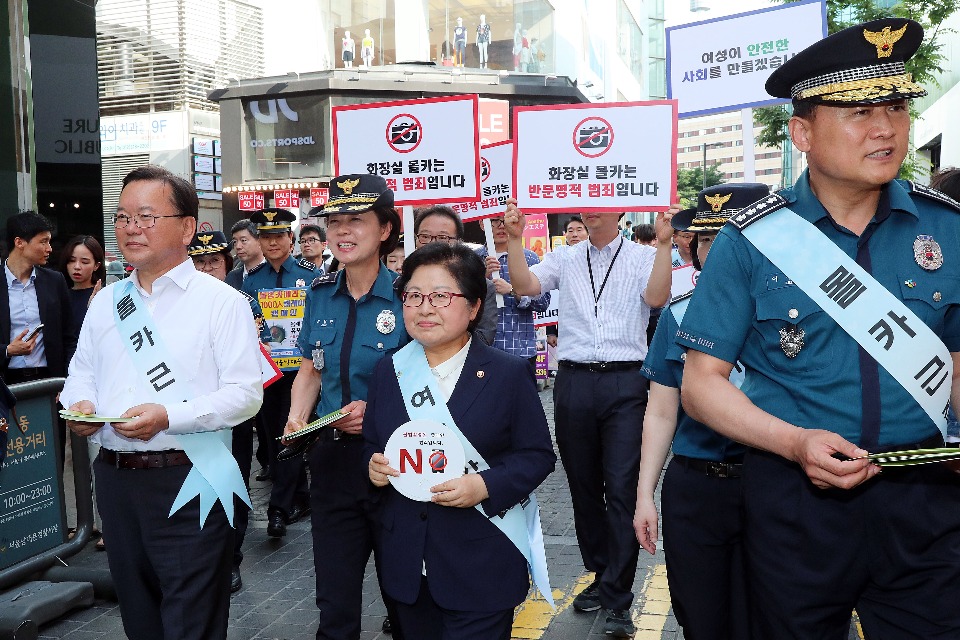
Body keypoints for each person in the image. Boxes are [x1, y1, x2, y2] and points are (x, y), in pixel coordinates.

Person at [679, 19, 960, 638]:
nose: (886, 127)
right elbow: (701, 385)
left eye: (895, 105)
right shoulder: (751, 240)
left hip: (928, 497)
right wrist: (793, 443)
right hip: (794, 503)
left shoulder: (947, 231)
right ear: (803, 132)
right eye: (859, 111)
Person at [61, 165, 262, 640]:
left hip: (189, 476)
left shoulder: (221, 302)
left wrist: (169, 416)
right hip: (114, 480)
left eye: (147, 216)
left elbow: (244, 394)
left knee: (191, 622)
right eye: (123, 217)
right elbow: (80, 373)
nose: (132, 228)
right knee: (140, 618)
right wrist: (82, 405)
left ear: (188, 226)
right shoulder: (106, 301)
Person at [503, 200, 677, 637]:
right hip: (575, 381)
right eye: (585, 205)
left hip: (626, 382)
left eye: (601, 205)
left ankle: (619, 597)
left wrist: (664, 242)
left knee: (621, 488)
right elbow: (525, 286)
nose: (590, 212)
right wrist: (515, 238)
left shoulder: (641, 255)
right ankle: (601, 573)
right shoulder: (566, 255)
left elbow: (656, 298)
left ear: (621, 212)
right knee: (582, 487)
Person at [366, 242, 556, 640]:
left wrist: (484, 485)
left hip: (481, 562)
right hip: (407, 566)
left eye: (440, 296)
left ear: (473, 307)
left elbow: (537, 456)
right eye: (413, 295)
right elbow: (373, 443)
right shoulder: (389, 371)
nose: (424, 307)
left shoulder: (506, 373)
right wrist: (374, 466)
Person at [634, 183, 768, 640]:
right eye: (708, 240)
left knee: (772, 615)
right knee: (702, 618)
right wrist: (643, 495)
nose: (717, 250)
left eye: (731, 236)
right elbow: (660, 413)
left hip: (772, 481)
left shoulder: (795, 313)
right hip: (697, 489)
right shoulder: (677, 315)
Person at [283, 174, 407, 640]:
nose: (342, 231)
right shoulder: (319, 293)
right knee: (335, 600)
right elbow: (311, 370)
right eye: (335, 221)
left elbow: (428, 382)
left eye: (356, 220)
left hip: (396, 460)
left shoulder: (408, 296)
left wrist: (375, 414)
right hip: (333, 460)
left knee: (404, 594)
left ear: (385, 229)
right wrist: (297, 417)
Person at [188, 229, 269, 593]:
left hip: (232, 415)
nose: (207, 269)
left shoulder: (243, 302)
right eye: (199, 262)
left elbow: (267, 348)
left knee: (231, 485)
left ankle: (231, 559)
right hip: (186, 416)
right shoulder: (177, 304)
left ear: (227, 263)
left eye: (214, 262)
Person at [242, 208, 318, 538]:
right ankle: (298, 497)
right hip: (268, 372)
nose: (273, 242)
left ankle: (278, 507)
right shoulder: (251, 280)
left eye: (279, 236)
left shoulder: (310, 276)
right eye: (266, 237)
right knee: (276, 437)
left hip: (302, 371)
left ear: (291, 239)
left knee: (295, 433)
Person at [59, 234, 107, 548]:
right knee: (67, 459)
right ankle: (78, 523)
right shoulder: (58, 294)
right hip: (67, 385)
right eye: (72, 261)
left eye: (85, 261)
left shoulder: (107, 296)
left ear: (97, 265)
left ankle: (104, 525)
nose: (77, 267)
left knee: (96, 454)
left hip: (96, 388)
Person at [414, 205, 497, 345]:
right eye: (425, 236)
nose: (433, 243)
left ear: (458, 242)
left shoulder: (481, 287)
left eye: (442, 237)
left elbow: (484, 338)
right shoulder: (399, 285)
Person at [477, 214, 550, 369]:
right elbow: (461, 302)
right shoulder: (473, 258)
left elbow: (543, 303)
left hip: (520, 349)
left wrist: (512, 290)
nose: (501, 225)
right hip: (481, 349)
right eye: (494, 221)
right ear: (482, 224)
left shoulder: (529, 258)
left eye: (504, 220)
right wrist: (482, 279)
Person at [226, 218, 264, 289]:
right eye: (235, 242)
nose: (238, 246)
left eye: (243, 240)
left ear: (259, 241)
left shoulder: (275, 273)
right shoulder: (232, 277)